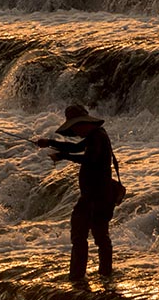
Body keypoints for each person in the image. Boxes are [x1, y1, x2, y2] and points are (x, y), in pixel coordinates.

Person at [37, 104, 117, 282]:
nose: (75, 131)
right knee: (100, 237)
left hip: (95, 197)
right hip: (100, 196)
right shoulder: (97, 135)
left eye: (75, 127)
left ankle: (78, 276)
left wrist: (62, 156)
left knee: (81, 236)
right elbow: (76, 148)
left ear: (83, 123)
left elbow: (88, 159)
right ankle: (104, 275)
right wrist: (49, 143)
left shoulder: (97, 137)